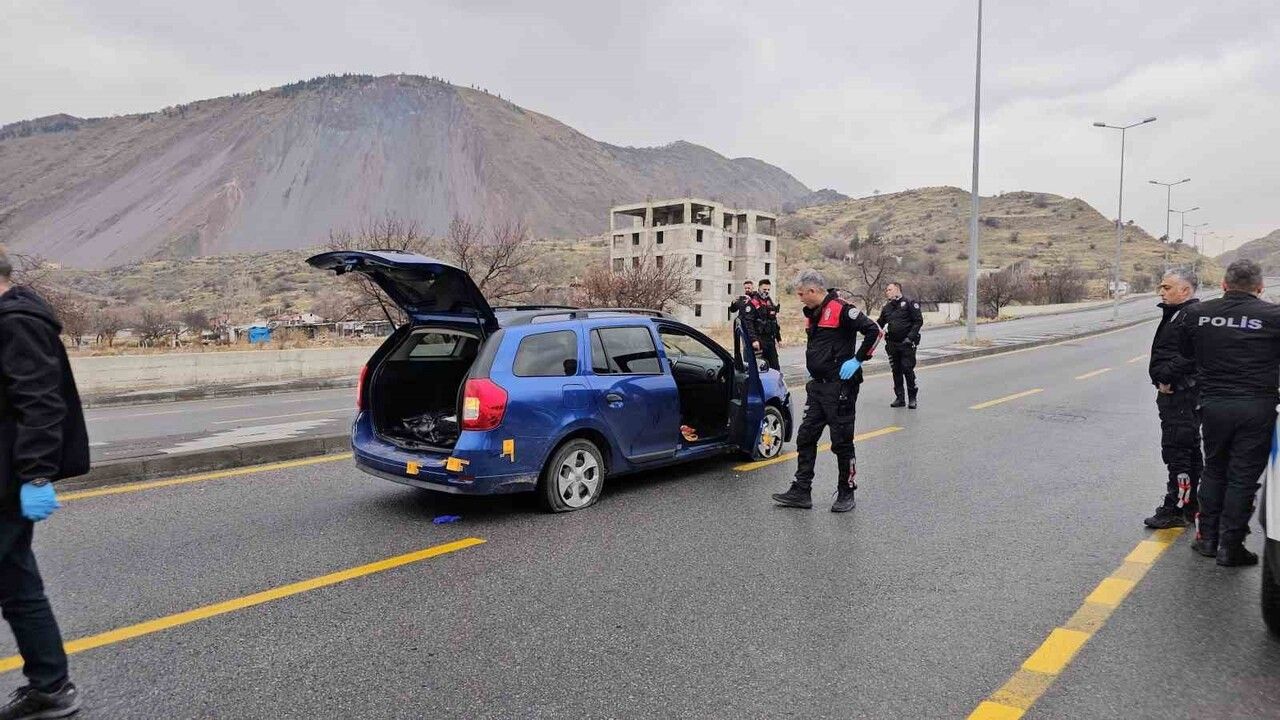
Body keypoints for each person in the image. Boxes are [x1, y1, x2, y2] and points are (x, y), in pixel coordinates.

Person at [0, 250, 89, 720]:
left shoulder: (16, 323)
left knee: (18, 586)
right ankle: (51, 688)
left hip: (7, 479)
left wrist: (35, 475)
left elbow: (40, 404)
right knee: (17, 585)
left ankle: (52, 687)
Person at [1176, 259, 1280, 566]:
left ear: (1223, 285)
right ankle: (1230, 546)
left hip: (1214, 405)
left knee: (1215, 469)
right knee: (1243, 477)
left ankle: (1207, 539)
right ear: (1260, 288)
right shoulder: (1274, 316)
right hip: (1257, 407)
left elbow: (1185, 354)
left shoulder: (1197, 314)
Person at [772, 270, 882, 513]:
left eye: (801, 294)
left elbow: (875, 331)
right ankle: (801, 490)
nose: (799, 298)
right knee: (806, 437)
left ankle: (846, 491)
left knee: (841, 442)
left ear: (813, 291)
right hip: (818, 387)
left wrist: (858, 360)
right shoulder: (814, 313)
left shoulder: (842, 309)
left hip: (840, 387)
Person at [1143, 270, 1202, 530]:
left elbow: (1191, 355)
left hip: (1180, 395)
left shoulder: (1189, 316)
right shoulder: (1179, 314)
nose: (1161, 292)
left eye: (1167, 287)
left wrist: (1166, 376)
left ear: (1185, 290)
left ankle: (1177, 507)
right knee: (1187, 449)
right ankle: (1189, 505)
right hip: (1178, 394)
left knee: (1178, 451)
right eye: (1161, 287)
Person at [876, 282, 923, 409]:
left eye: (889, 289)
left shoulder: (909, 303)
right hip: (892, 344)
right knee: (896, 371)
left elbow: (918, 321)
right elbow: (879, 323)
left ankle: (912, 398)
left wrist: (910, 338)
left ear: (897, 290)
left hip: (906, 344)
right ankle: (900, 398)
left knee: (907, 370)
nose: (887, 292)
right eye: (886, 290)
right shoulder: (887, 308)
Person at [754, 279, 782, 371]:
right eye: (764, 289)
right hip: (759, 340)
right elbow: (749, 323)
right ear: (759, 288)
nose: (766, 292)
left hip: (770, 340)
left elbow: (774, 322)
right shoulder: (754, 302)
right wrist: (754, 340)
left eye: (768, 290)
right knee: (760, 369)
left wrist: (779, 338)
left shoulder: (769, 301)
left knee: (775, 368)